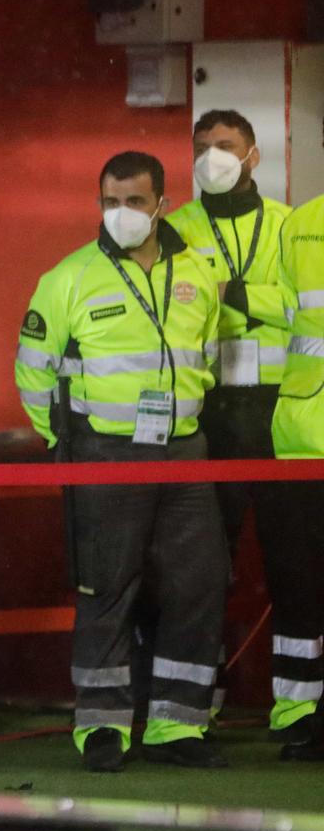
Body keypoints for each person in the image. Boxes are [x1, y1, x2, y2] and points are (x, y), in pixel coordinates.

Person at [15, 151, 227, 772]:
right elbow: (33, 372)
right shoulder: (68, 279)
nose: (122, 213)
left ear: (162, 204)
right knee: (106, 588)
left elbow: (205, 350)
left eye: (135, 202)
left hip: (185, 451)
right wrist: (60, 444)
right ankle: (102, 726)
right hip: (104, 451)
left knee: (199, 582)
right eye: (111, 201)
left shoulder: (196, 272)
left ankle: (177, 726)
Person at [167, 110, 316, 756]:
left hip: (279, 416)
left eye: (224, 147)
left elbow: (301, 310)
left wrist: (236, 295)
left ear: (253, 155)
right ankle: (184, 717)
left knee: (298, 571)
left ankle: (300, 714)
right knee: (196, 574)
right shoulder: (173, 229)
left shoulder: (290, 227)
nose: (211, 159)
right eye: (201, 148)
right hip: (206, 417)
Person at [269, 189, 324, 761]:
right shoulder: (302, 223)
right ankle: (299, 713)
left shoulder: (300, 222)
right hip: (301, 439)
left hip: (302, 425)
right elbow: (287, 313)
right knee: (299, 589)